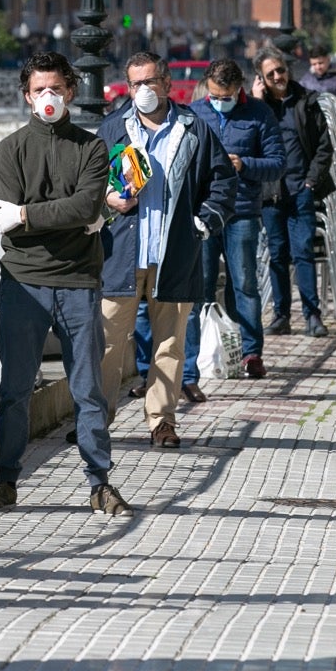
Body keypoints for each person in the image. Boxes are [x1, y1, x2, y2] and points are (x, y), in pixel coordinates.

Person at [0, 52, 129, 515]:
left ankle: (99, 482)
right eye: (39, 89)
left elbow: (84, 210)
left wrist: (27, 213)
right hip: (24, 283)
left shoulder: (92, 147)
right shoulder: (11, 149)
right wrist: (53, 215)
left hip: (79, 282)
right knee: (15, 390)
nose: (49, 97)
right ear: (27, 96)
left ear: (71, 91)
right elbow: (12, 223)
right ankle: (5, 480)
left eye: (57, 88)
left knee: (87, 389)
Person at [99, 52, 235, 448]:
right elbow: (88, 183)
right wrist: (109, 198)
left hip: (174, 254)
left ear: (166, 84)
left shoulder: (194, 129)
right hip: (121, 254)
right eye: (135, 84)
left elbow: (223, 182)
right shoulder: (113, 129)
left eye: (150, 82)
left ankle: (162, 421)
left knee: (170, 344)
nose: (143, 91)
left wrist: (201, 222)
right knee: (106, 342)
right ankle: (96, 420)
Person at [182, 60, 283, 381]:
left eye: (225, 96)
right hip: (205, 213)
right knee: (202, 285)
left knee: (245, 284)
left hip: (242, 211)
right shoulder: (196, 112)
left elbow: (278, 163)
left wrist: (245, 164)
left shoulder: (259, 114)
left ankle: (252, 352)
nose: (219, 101)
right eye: (214, 95)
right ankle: (199, 355)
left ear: (239, 88)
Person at [256, 48, 333, 338]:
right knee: (277, 255)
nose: (278, 76)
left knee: (303, 252)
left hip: (301, 188)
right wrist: (255, 100)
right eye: (271, 73)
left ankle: (312, 315)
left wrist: (312, 180)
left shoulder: (306, 101)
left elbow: (325, 146)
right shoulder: (258, 109)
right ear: (261, 78)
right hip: (271, 192)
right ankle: (281, 315)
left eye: (281, 70)